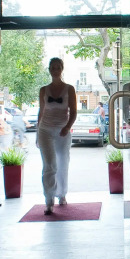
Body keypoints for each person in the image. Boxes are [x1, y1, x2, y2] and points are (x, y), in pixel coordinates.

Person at [37, 57, 77, 214]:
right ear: (49, 70)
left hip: (62, 131)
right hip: (45, 130)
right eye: (52, 68)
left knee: (62, 163)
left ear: (62, 69)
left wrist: (67, 127)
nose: (55, 70)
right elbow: (41, 111)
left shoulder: (69, 89)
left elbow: (73, 112)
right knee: (49, 164)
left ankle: (62, 194)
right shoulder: (43, 90)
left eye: (58, 67)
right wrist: (37, 132)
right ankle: (49, 199)